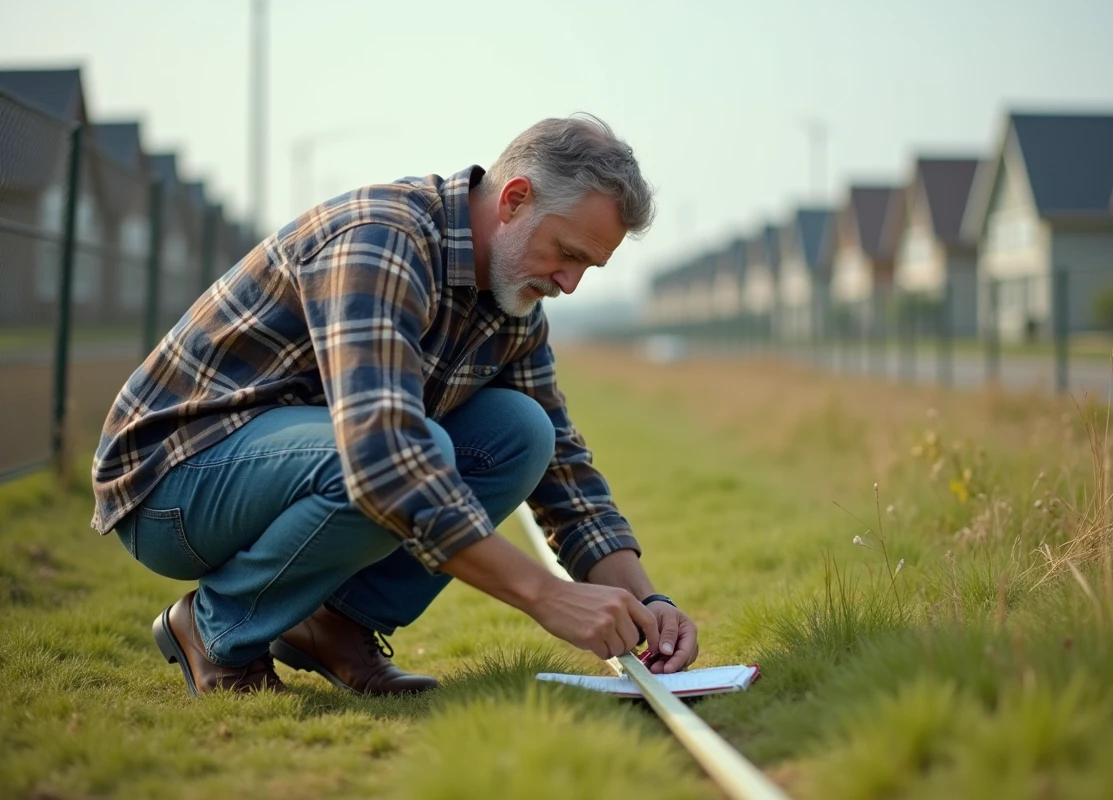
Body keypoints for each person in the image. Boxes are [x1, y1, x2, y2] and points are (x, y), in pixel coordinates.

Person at [90, 114, 700, 697]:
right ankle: (212, 629)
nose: (570, 283)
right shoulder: (385, 238)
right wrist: (545, 595)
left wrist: (650, 604)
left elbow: (563, 472)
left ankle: (334, 626)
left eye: (588, 267)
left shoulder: (515, 309)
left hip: (286, 469)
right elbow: (382, 456)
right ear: (514, 200)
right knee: (410, 452)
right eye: (566, 253)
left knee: (525, 434)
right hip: (173, 486)